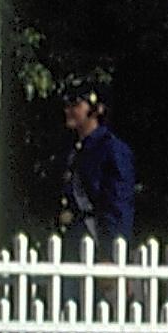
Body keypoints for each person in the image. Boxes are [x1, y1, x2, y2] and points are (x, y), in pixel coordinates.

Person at [57, 87, 137, 250]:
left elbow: (118, 204)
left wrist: (112, 250)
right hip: (76, 242)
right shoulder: (76, 149)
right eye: (67, 105)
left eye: (76, 104)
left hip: (98, 244)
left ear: (96, 110)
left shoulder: (111, 148)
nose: (68, 110)